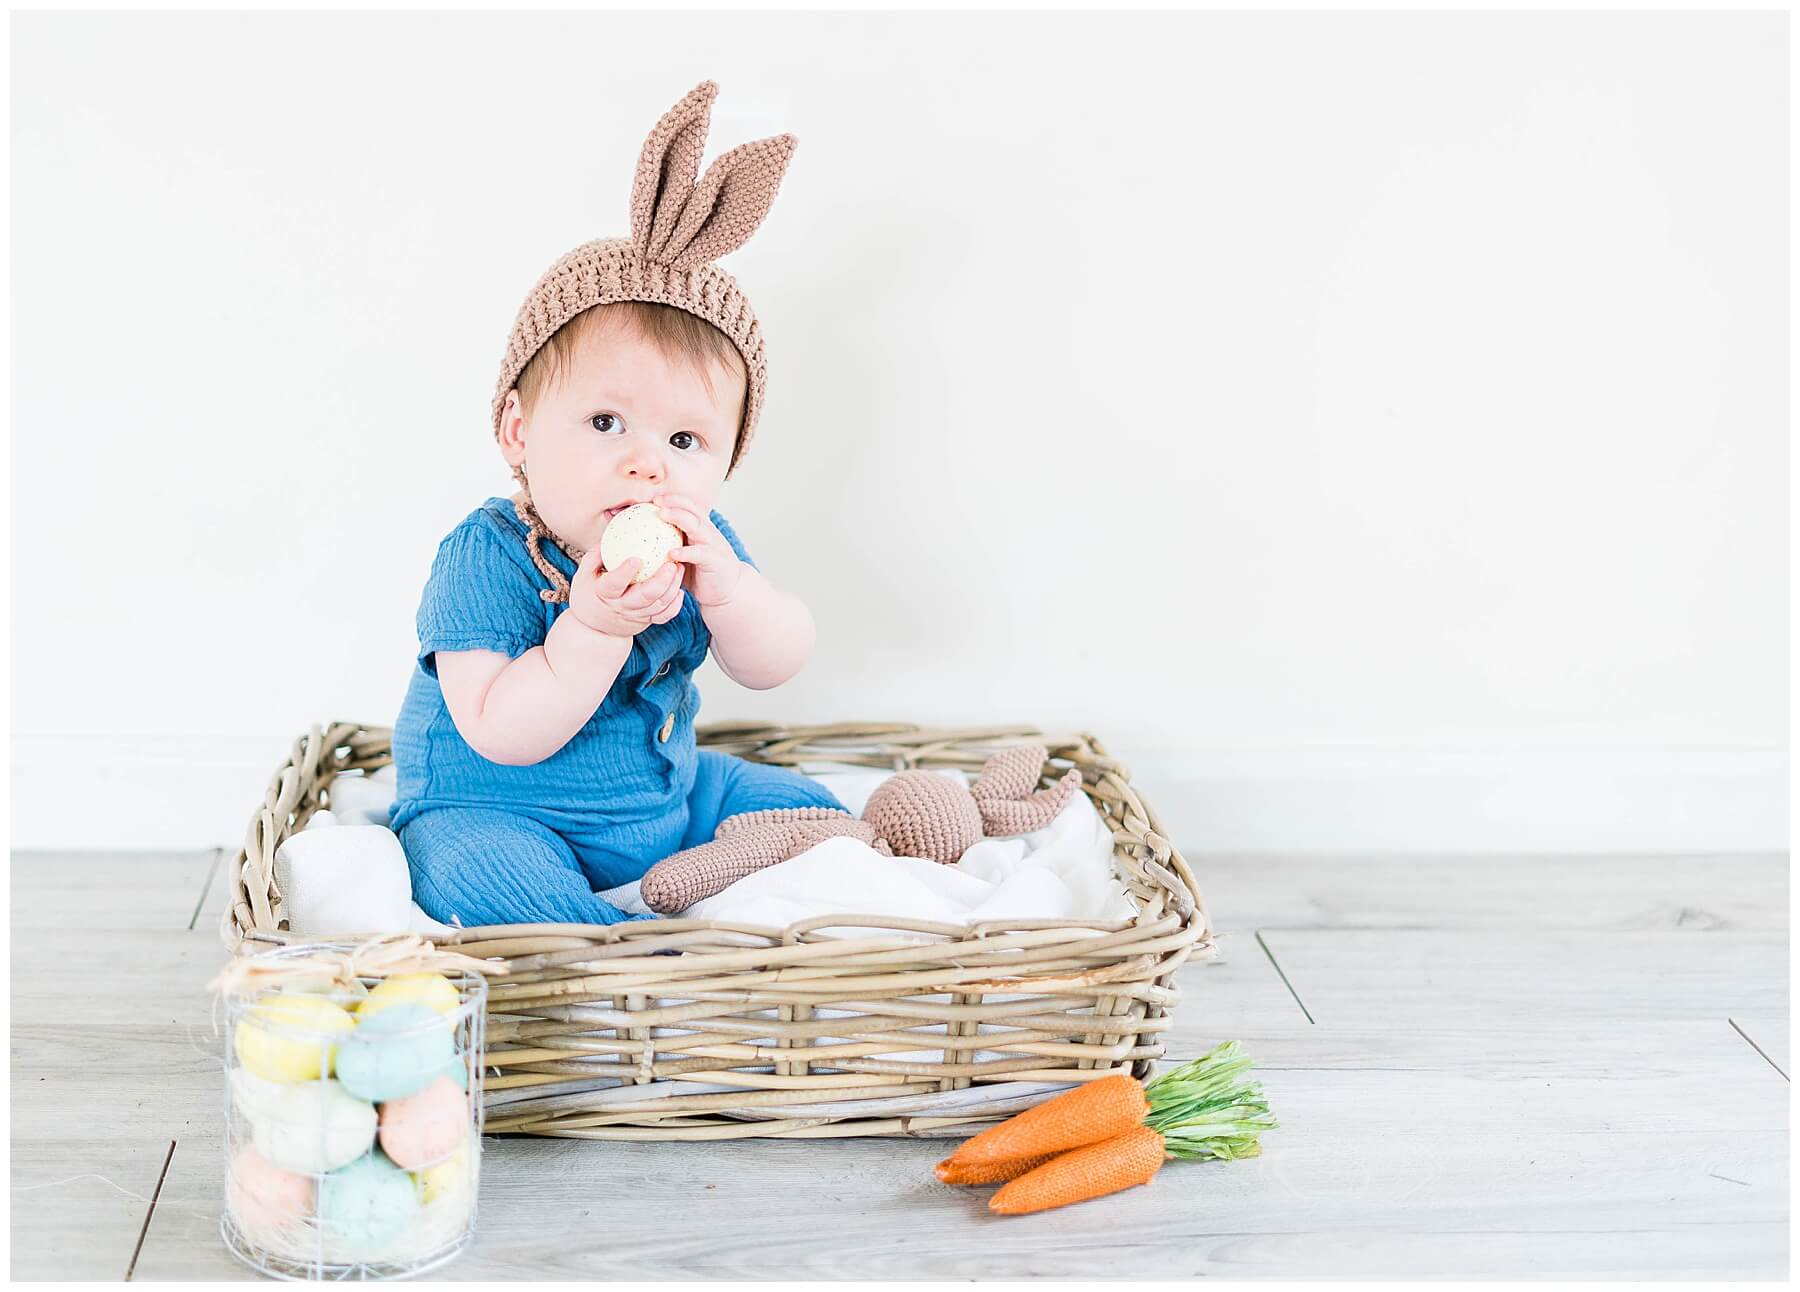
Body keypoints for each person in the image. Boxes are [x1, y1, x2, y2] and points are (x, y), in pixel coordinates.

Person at [389, 80, 845, 928]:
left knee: (804, 804)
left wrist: (734, 595)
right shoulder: (487, 555)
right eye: (606, 422)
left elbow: (775, 660)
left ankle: (761, 876)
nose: (646, 467)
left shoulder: (702, 544)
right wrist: (594, 628)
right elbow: (500, 729)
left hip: (667, 800)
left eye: (685, 443)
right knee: (480, 877)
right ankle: (625, 956)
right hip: (501, 811)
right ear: (519, 432)